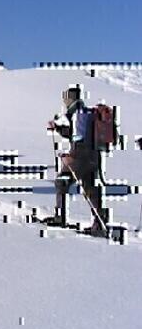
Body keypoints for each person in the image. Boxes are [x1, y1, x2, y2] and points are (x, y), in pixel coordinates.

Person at [46, 87, 107, 236]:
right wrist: (59, 128)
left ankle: (60, 217)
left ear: (71, 99)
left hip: (81, 156)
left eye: (66, 99)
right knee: (89, 188)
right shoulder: (88, 112)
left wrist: (70, 156)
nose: (65, 102)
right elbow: (76, 133)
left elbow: (78, 136)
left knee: (61, 181)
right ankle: (99, 223)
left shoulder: (77, 113)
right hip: (94, 157)